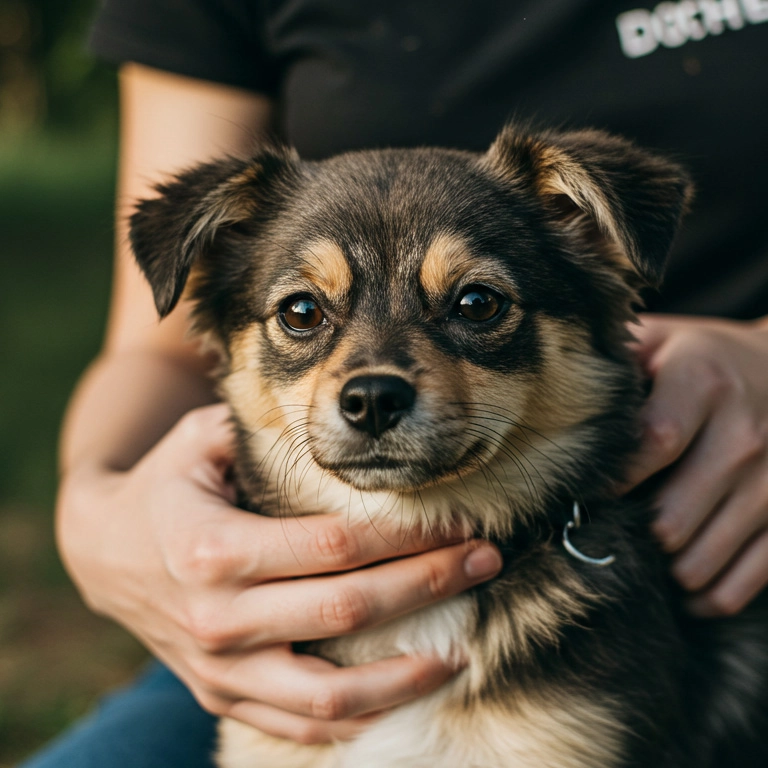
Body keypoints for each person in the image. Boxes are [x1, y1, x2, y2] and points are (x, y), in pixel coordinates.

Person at [22, 1, 768, 765]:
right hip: (264, 621)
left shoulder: (597, 658)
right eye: (304, 313)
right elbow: (157, 354)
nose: (372, 382)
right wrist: (96, 501)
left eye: (476, 304)